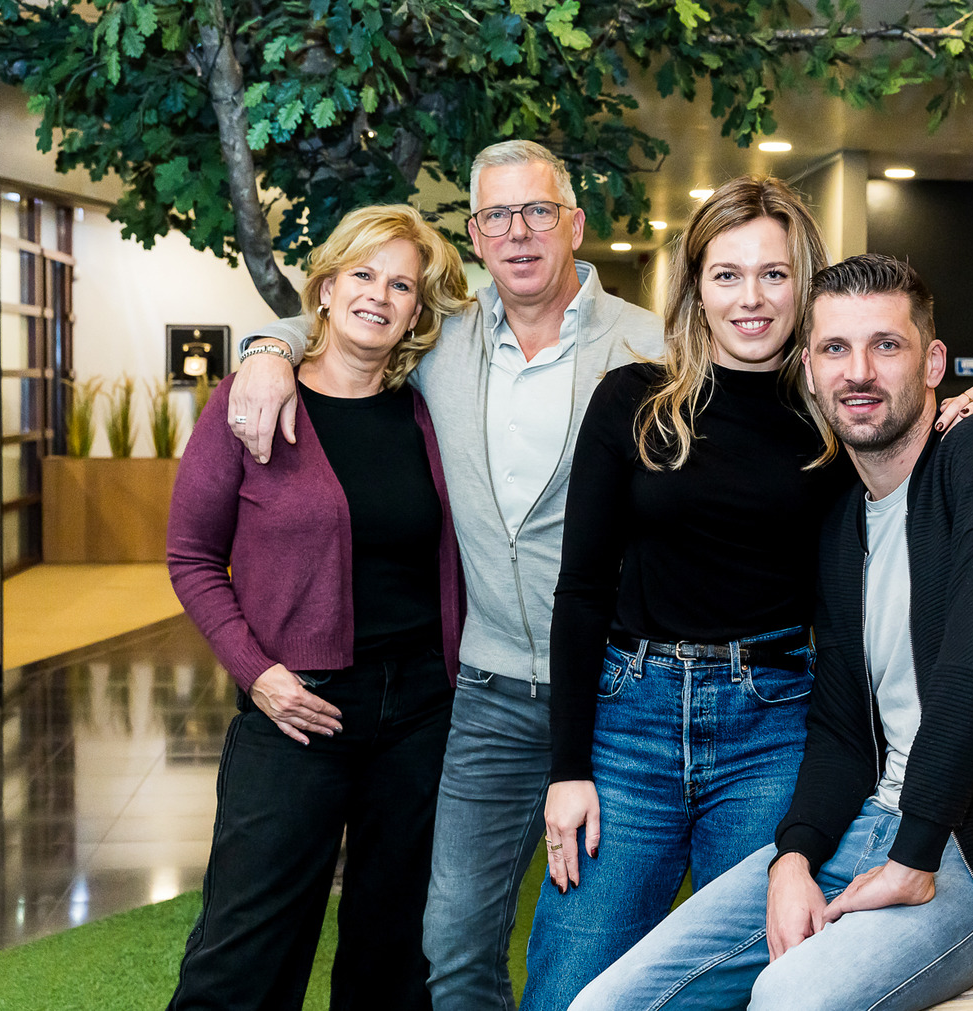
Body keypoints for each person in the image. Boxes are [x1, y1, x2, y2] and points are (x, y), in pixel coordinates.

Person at [570, 253, 973, 1011]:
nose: (858, 371)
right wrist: (795, 855)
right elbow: (840, 725)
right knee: (606, 1003)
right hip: (871, 822)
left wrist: (915, 853)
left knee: (788, 998)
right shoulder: (841, 524)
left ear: (933, 363)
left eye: (886, 345)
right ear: (809, 369)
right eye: (835, 348)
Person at [525, 178, 973, 1009]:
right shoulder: (632, 401)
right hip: (630, 722)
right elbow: (581, 589)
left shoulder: (836, 413)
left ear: (804, 284)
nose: (751, 297)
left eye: (774, 274)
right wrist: (567, 767)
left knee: (753, 982)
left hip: (773, 721)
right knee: (570, 986)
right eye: (727, 274)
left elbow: (916, 441)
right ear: (697, 287)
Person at [224, 140, 666, 1010]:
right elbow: (343, 322)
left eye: (538, 211)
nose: (519, 232)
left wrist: (934, 404)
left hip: (620, 689)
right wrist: (266, 347)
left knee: (594, 956)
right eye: (497, 216)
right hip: (489, 694)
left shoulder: (650, 342)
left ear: (575, 224)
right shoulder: (441, 340)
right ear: (475, 234)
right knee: (451, 949)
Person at [165, 203, 469, 1010]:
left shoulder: (426, 411)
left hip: (420, 712)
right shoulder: (250, 400)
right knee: (244, 950)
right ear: (326, 289)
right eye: (363, 274)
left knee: (394, 945)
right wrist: (257, 673)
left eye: (401, 285)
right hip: (295, 707)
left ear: (416, 309)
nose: (380, 295)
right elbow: (191, 556)